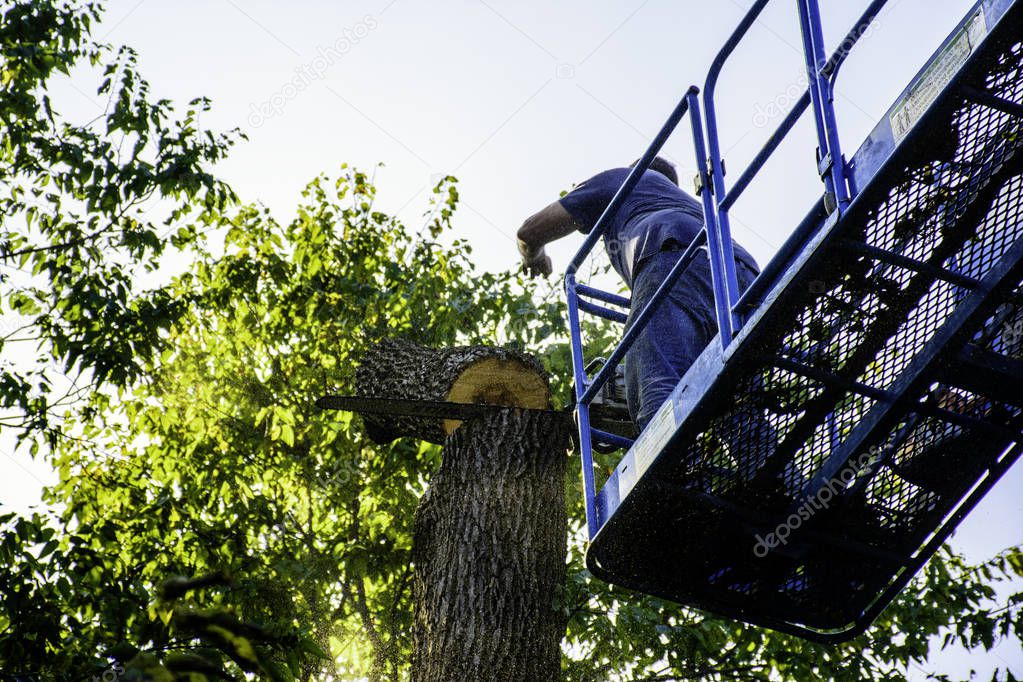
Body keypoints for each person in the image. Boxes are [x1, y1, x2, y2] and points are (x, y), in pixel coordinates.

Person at [516, 157, 762, 431]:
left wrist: (534, 257)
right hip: (743, 276)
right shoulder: (691, 205)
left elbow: (529, 231)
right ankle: (774, 472)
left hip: (673, 256)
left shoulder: (624, 178)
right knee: (737, 404)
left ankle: (668, 465)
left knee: (656, 390)